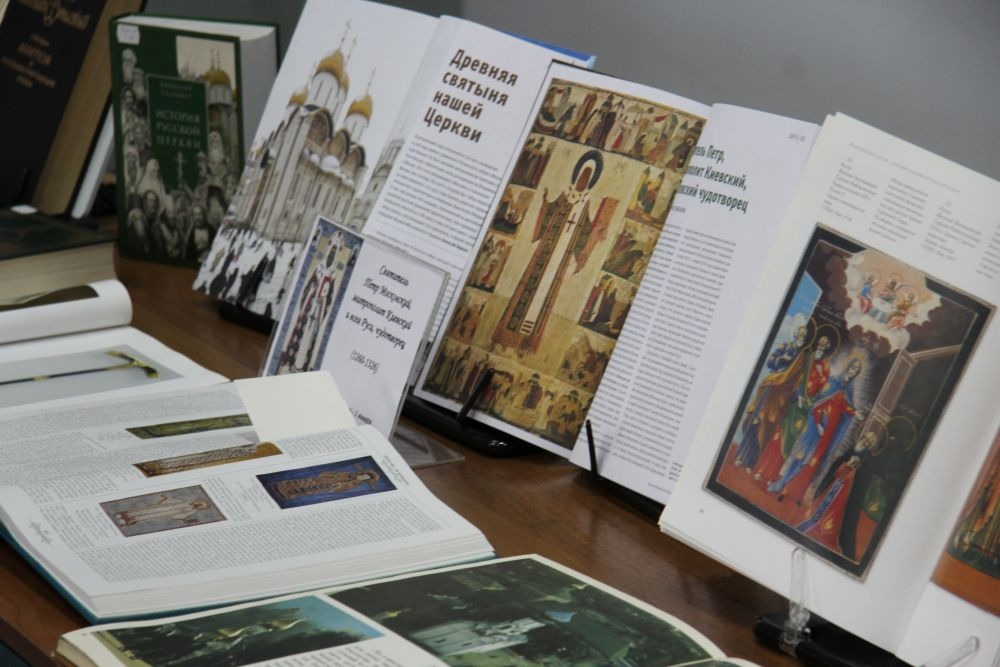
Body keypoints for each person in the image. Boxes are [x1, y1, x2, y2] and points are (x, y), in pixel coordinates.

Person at [768, 357, 865, 506]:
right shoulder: (833, 381)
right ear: (848, 367)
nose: (853, 372)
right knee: (799, 455)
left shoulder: (849, 391)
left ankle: (794, 492)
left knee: (810, 462)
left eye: (856, 371)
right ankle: (780, 484)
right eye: (852, 368)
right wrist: (819, 423)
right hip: (814, 425)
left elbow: (847, 408)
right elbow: (818, 401)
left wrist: (854, 412)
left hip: (826, 434)